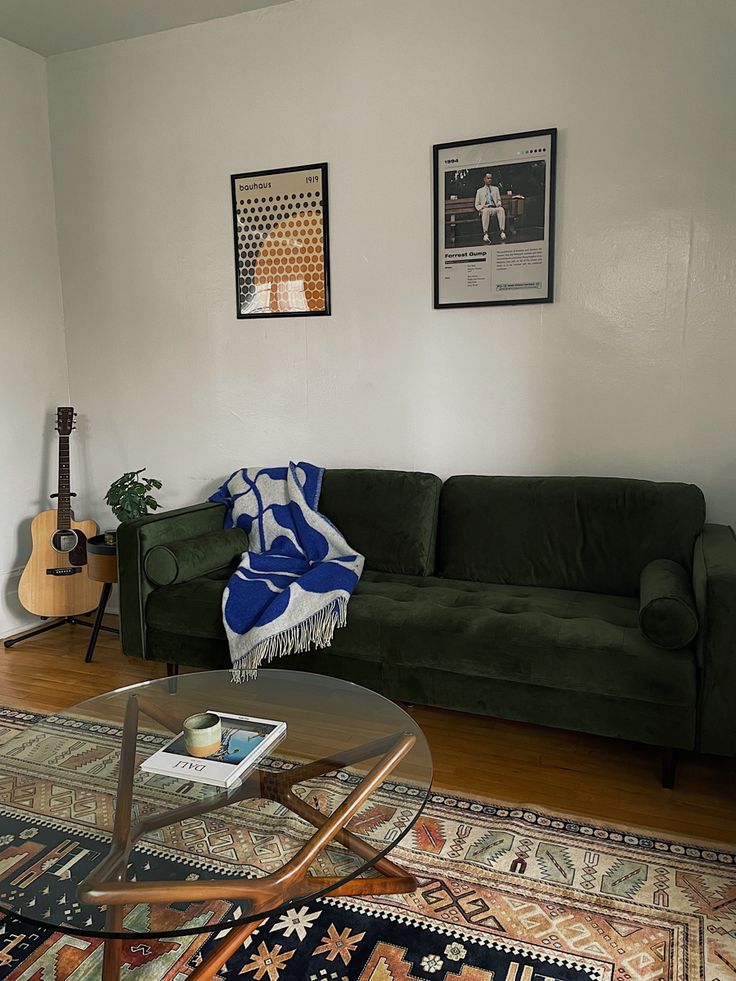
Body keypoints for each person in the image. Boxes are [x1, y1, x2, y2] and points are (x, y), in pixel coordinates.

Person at [474, 172, 506, 243]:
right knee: (485, 211)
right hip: (486, 208)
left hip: (494, 208)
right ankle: (485, 234)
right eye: (488, 178)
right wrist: (483, 206)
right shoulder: (479, 191)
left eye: (490, 178)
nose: (489, 180)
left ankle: (502, 232)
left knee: (501, 209)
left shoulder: (496, 189)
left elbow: (499, 200)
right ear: (484, 179)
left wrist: (499, 203)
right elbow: (476, 205)